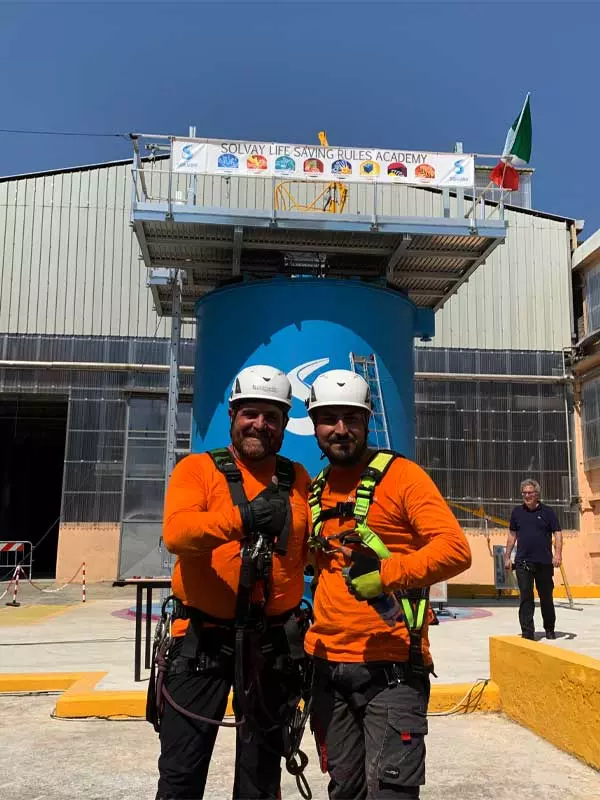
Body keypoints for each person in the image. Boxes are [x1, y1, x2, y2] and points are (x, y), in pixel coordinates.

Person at [303, 369, 472, 800]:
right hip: (327, 668)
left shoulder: (402, 477)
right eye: (329, 419)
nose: (341, 430)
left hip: (392, 669)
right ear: (313, 423)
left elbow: (455, 549)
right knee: (345, 790)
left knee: (391, 793)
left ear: (367, 420)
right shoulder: (314, 489)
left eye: (352, 419)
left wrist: (385, 577)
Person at [150, 365, 312, 800]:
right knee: (182, 772)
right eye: (250, 414)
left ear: (283, 424)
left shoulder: (296, 478)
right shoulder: (197, 470)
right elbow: (177, 535)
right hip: (202, 641)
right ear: (233, 415)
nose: (260, 424)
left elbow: (306, 549)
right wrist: (242, 518)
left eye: (271, 416)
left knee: (261, 776)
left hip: (271, 646)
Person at [504, 478, 563, 641]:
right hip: (523, 562)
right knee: (525, 596)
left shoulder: (548, 512)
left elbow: (557, 533)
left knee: (546, 597)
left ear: (537, 494)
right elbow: (512, 535)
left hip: (544, 562)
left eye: (530, 493)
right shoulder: (517, 512)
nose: (526, 495)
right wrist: (507, 556)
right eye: (524, 493)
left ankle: (549, 628)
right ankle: (527, 631)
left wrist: (558, 554)